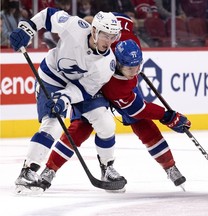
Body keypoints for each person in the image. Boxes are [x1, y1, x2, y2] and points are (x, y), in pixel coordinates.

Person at [36, 39, 190, 194]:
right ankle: (50, 169)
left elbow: (120, 24)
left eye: (138, 65)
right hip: (89, 89)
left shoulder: (118, 50)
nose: (135, 72)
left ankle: (170, 166)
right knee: (79, 129)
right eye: (130, 68)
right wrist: (167, 116)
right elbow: (139, 109)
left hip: (117, 91)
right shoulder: (116, 86)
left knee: (144, 125)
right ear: (118, 64)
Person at [9, 8, 123, 194]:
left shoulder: (107, 63)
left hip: (78, 88)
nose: (109, 42)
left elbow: (84, 90)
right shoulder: (75, 26)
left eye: (113, 36)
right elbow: (47, 15)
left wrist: (65, 98)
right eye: (105, 35)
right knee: (53, 124)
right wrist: (28, 27)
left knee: (106, 123)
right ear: (94, 31)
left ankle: (107, 168)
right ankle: (27, 172)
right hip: (51, 78)